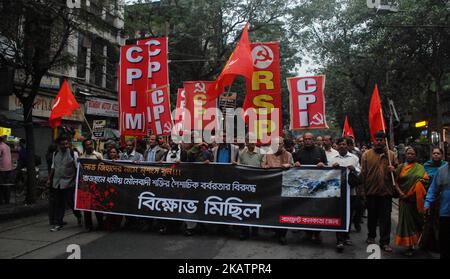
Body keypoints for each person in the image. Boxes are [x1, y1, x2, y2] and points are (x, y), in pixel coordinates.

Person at [360, 131, 398, 252]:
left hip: (386, 192)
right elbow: (363, 174)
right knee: (372, 217)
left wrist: (394, 169)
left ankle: (385, 242)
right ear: (373, 141)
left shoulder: (391, 155)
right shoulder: (366, 155)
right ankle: (371, 236)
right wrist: (363, 191)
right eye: (377, 139)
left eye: (381, 140)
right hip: (371, 192)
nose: (379, 142)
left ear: (384, 141)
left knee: (385, 219)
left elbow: (398, 172)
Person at [394, 146, 428, 256]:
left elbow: (425, 181)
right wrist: (401, 194)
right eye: (408, 153)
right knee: (407, 223)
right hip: (404, 200)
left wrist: (414, 190)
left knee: (417, 222)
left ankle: (418, 242)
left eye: (412, 154)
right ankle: (409, 246)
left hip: (415, 200)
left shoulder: (420, 168)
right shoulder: (400, 167)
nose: (410, 155)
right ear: (405, 155)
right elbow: (395, 182)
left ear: (416, 155)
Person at [293, 132, 327, 244]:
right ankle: (307, 233)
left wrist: (323, 164)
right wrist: (296, 163)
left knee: (317, 210)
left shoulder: (321, 151)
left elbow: (327, 167)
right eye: (306, 139)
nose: (307, 141)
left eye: (310, 139)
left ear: (313, 140)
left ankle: (317, 234)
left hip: (317, 187)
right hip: (305, 187)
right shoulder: (298, 152)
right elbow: (293, 169)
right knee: (305, 210)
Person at [329, 138, 361, 252]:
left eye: (344, 144)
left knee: (349, 214)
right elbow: (327, 175)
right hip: (337, 193)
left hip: (351, 192)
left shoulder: (354, 158)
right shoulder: (332, 159)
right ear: (336, 146)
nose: (342, 146)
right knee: (339, 215)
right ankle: (339, 240)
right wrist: (332, 168)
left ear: (348, 146)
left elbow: (359, 172)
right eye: (340, 144)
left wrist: (354, 169)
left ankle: (346, 236)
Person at [262, 137, 293, 245]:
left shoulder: (288, 155)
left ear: (283, 144)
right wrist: (265, 166)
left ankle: (282, 235)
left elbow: (294, 168)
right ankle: (275, 230)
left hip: (283, 187)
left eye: (279, 143)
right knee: (272, 210)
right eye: (275, 143)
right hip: (270, 188)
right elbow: (262, 165)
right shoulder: (267, 154)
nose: (277, 145)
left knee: (284, 211)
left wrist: (290, 165)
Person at [47, 135, 82, 232]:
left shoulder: (73, 153)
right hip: (57, 182)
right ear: (58, 145)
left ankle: (78, 216)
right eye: (63, 144)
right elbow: (53, 167)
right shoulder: (55, 153)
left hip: (69, 182)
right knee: (59, 203)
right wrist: (49, 179)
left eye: (66, 143)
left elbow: (77, 168)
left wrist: (76, 180)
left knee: (71, 202)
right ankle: (58, 223)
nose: (65, 146)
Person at [422, 147, 448, 251]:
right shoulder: (427, 166)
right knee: (432, 223)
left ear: (442, 156)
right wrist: (427, 203)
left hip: (443, 201)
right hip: (432, 200)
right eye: (434, 153)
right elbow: (431, 187)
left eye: (438, 153)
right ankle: (433, 245)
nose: (436, 155)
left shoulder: (444, 166)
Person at [237, 136, 263, 240]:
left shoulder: (262, 152)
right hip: (245, 186)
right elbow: (239, 167)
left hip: (258, 185)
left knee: (256, 207)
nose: (251, 142)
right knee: (244, 208)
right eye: (249, 140)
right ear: (246, 142)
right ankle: (244, 231)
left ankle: (255, 230)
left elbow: (264, 166)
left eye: (253, 140)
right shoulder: (241, 153)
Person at [79, 139, 104, 232]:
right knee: (86, 206)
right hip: (86, 185)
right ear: (84, 146)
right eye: (87, 145)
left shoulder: (98, 155)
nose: (89, 146)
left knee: (97, 205)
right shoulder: (82, 157)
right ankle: (88, 226)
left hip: (96, 184)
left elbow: (103, 168)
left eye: (90, 144)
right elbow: (80, 171)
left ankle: (101, 224)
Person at [103, 147, 123, 231]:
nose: (112, 154)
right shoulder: (105, 162)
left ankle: (117, 224)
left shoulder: (122, 162)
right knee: (109, 206)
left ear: (117, 154)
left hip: (119, 189)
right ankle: (109, 224)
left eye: (114, 152)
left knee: (118, 207)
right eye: (111, 152)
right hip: (109, 188)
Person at [0, 135, 13, 205]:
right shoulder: (7, 146)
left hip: (2, 169)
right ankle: (7, 201)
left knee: (1, 185)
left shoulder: (0, 146)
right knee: (7, 185)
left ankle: (1, 201)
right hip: (9, 168)